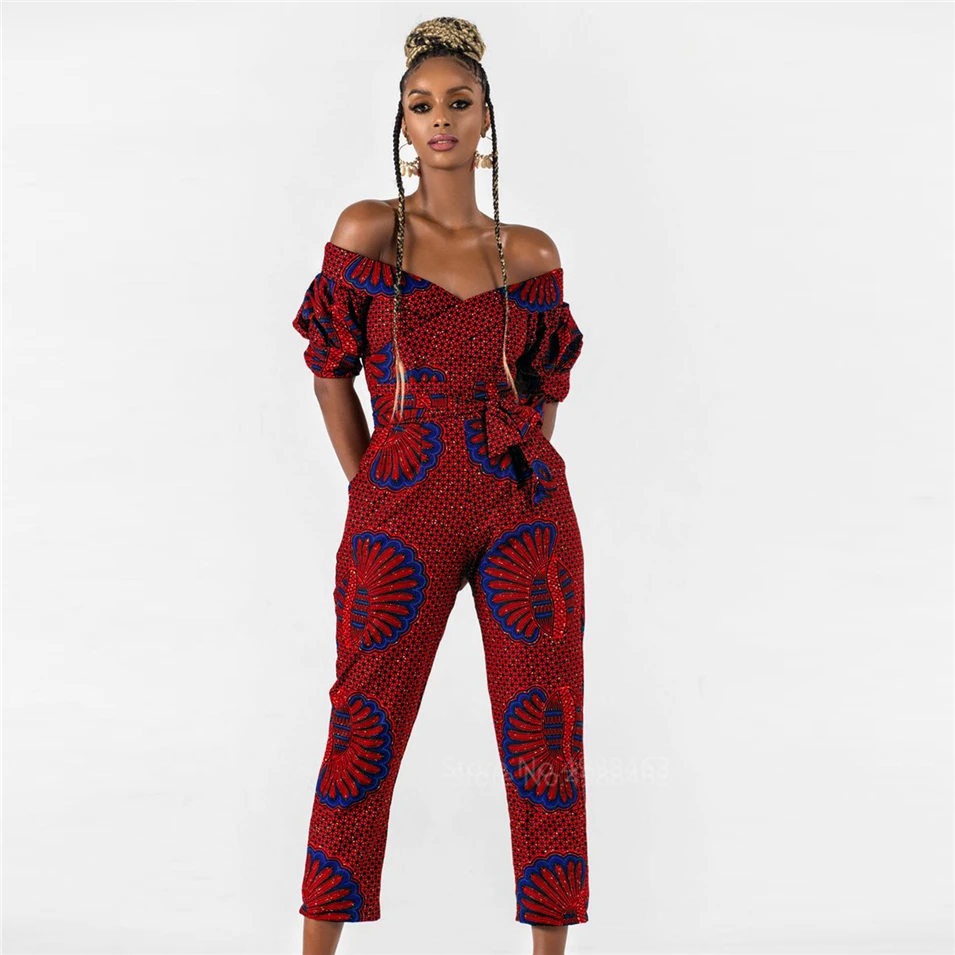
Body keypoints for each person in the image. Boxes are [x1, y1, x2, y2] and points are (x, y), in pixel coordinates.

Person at [291, 17, 588, 955]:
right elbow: (330, 371)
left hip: (522, 508)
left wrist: (513, 475)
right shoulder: (368, 231)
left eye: (459, 102)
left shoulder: (529, 252)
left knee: (544, 734)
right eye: (422, 105)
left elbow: (543, 392)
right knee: (363, 726)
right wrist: (373, 487)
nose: (441, 119)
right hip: (400, 502)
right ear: (403, 122)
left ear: (486, 116)